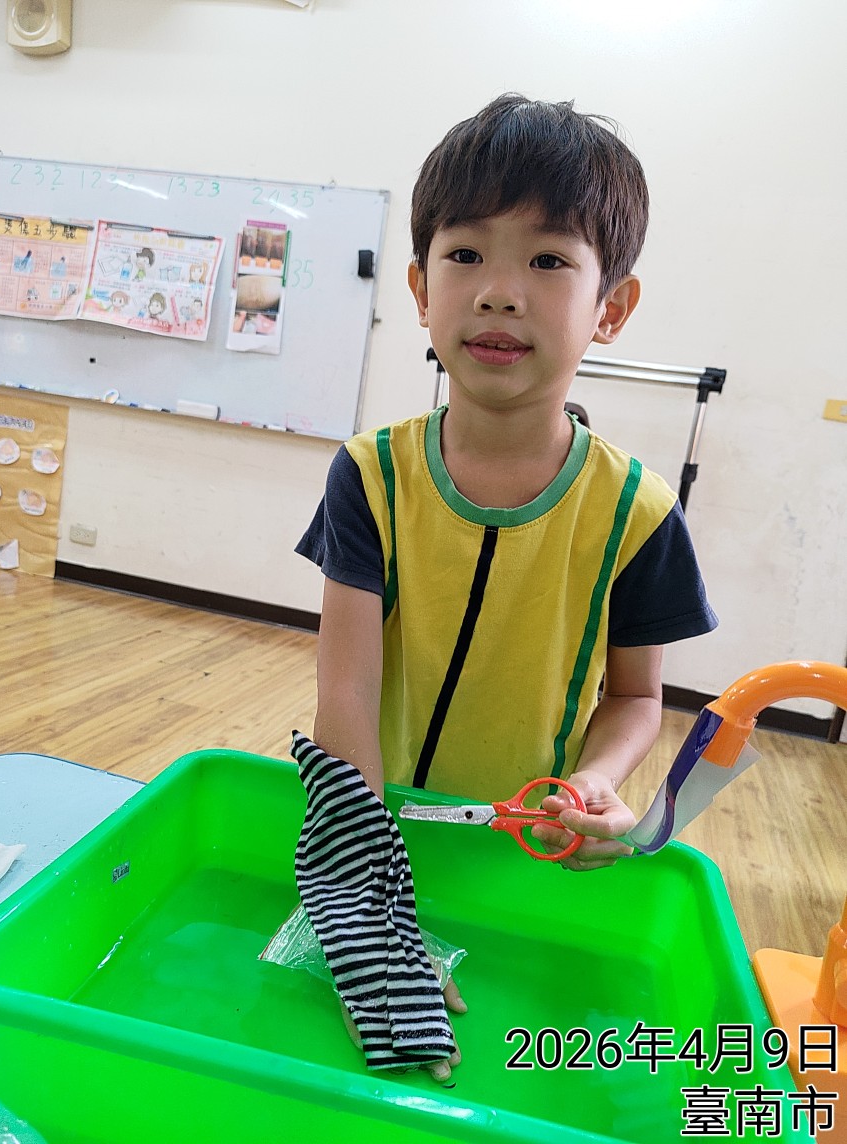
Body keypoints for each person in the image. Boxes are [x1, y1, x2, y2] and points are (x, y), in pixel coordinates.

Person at [296, 92, 718, 1078]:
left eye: (549, 261)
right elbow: (345, 689)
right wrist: (366, 902)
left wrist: (598, 783)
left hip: (528, 848)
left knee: (506, 1066)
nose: (498, 292)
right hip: (378, 831)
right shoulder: (369, 476)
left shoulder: (638, 511)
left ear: (612, 308)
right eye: (466, 253)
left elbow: (637, 698)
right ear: (420, 288)